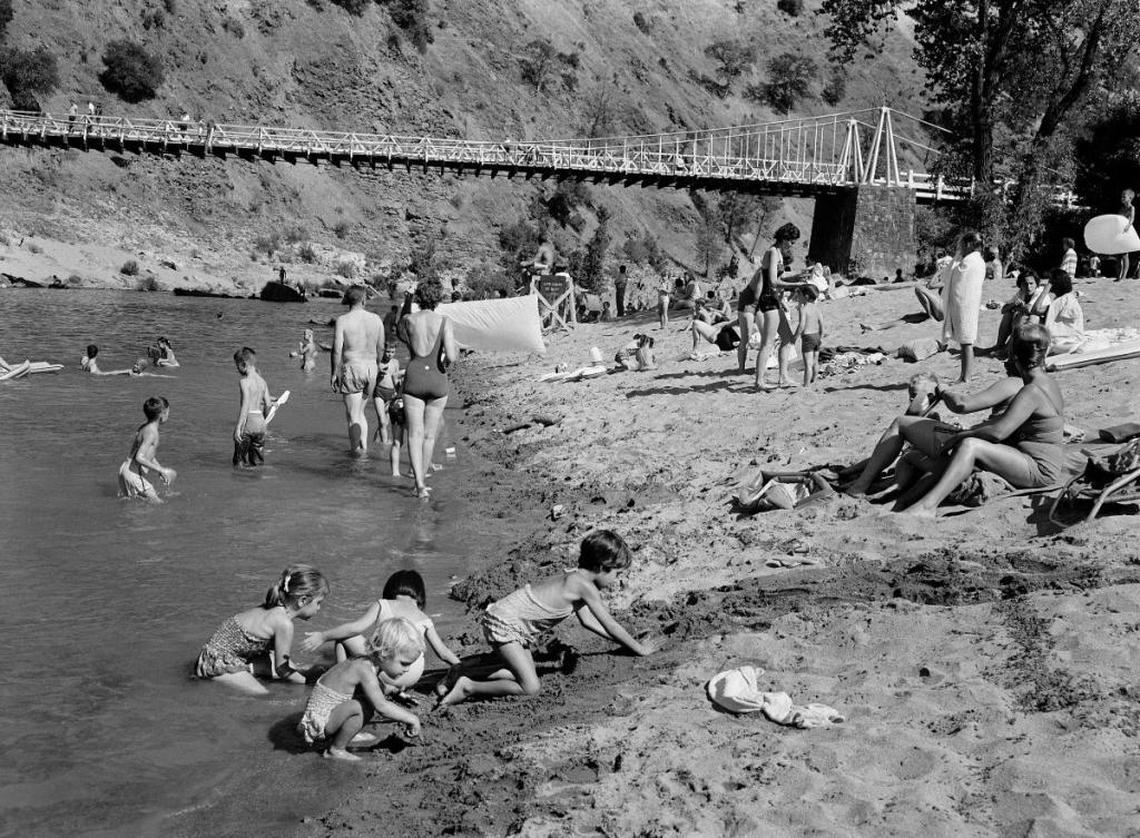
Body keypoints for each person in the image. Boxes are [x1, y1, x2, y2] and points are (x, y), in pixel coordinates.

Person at [435, 531, 656, 708]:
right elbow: (610, 623)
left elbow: (588, 622)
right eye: (616, 573)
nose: (616, 580)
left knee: (515, 673)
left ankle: (460, 671)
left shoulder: (575, 577)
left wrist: (622, 644)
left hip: (507, 619)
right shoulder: (585, 587)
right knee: (530, 687)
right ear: (600, 567)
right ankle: (468, 687)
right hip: (506, 624)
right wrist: (639, 648)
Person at [903, 324, 1065, 518]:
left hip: (1039, 468)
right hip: (1037, 458)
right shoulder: (1047, 382)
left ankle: (928, 506)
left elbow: (998, 432)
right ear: (1044, 352)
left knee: (970, 445)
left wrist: (962, 435)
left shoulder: (1031, 391)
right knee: (969, 445)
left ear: (1013, 356)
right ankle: (914, 500)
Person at [843, 365, 1025, 499]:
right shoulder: (914, 418)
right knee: (905, 459)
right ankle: (881, 485)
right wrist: (852, 470)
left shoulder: (932, 417)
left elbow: (963, 406)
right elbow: (881, 453)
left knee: (907, 457)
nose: (914, 400)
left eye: (920, 396)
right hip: (927, 462)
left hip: (932, 463)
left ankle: (880, 488)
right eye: (911, 396)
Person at [301, 569, 461, 692]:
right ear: (419, 596)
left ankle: (342, 681)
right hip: (412, 675)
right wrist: (461, 666)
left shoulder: (383, 604)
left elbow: (355, 628)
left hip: (388, 670)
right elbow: (443, 652)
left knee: (345, 638)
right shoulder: (424, 617)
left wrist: (323, 636)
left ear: (390, 590)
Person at [296, 619, 423, 761]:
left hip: (320, 716)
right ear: (384, 653)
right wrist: (411, 718)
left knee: (370, 695)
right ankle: (335, 749)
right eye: (404, 663)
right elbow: (381, 706)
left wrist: (394, 691)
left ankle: (347, 732)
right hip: (318, 723)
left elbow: (378, 686)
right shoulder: (364, 669)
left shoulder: (365, 661)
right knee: (363, 706)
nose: (407, 670)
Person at [196, 565, 328, 695]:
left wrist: (298, 672)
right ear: (303, 600)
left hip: (215, 655)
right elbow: (282, 670)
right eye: (318, 603)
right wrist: (309, 684)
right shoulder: (284, 623)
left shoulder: (274, 607)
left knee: (295, 669)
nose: (319, 608)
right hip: (217, 663)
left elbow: (280, 661)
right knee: (264, 694)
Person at [399, 280, 457, 499]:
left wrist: (407, 300)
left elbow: (399, 332)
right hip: (436, 378)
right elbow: (451, 356)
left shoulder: (408, 320)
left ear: (419, 297)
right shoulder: (444, 321)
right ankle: (421, 484)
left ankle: (419, 484)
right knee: (429, 436)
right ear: (438, 299)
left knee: (414, 434)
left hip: (414, 378)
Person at [748, 222, 806, 390]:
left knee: (787, 339)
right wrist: (795, 285)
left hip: (774, 299)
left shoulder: (779, 253)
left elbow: (780, 278)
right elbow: (773, 281)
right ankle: (759, 381)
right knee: (767, 342)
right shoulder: (773, 252)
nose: (792, 245)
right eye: (791, 241)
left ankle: (783, 377)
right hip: (768, 299)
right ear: (784, 238)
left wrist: (796, 278)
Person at [331, 286, 385, 454]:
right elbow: (381, 347)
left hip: (353, 368)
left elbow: (337, 350)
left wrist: (334, 372)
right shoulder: (376, 319)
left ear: (348, 300)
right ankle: (364, 450)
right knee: (360, 412)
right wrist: (379, 365)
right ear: (363, 300)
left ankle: (355, 453)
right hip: (371, 369)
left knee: (353, 415)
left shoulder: (343, 320)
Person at [940, 230, 986, 383]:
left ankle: (965, 377)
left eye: (962, 245)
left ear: (968, 244)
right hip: (967, 304)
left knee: (966, 342)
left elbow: (952, 276)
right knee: (965, 341)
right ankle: (965, 375)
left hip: (965, 305)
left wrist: (957, 256)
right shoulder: (976, 261)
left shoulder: (970, 262)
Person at [118, 396, 176, 502]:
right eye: (168, 413)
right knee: (159, 503)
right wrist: (161, 469)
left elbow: (148, 455)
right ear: (162, 414)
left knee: (135, 502)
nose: (168, 415)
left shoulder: (144, 427)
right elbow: (140, 457)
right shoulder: (152, 432)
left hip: (124, 470)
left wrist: (160, 471)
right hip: (133, 473)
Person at [988, 269, 1052, 358]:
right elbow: (1004, 310)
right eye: (1025, 284)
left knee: (1023, 316)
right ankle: (1000, 345)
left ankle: (1008, 350)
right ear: (1021, 285)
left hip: (1041, 328)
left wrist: (1016, 308)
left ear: (1036, 284)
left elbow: (1029, 309)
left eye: (1031, 283)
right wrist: (1014, 304)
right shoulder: (1021, 293)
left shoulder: (1039, 292)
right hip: (1026, 326)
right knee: (1008, 315)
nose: (1028, 287)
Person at [233, 347, 277, 468]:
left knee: (239, 463)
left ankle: (241, 484)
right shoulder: (263, 381)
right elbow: (268, 405)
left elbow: (246, 404)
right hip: (261, 425)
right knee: (257, 464)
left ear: (244, 364)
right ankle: (256, 484)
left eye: (237, 365)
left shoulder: (244, 382)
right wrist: (263, 422)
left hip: (248, 422)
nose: (237, 369)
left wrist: (238, 427)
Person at [371, 342, 403, 475]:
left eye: (392, 352)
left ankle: (376, 441)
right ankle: (384, 445)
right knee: (382, 421)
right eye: (387, 352)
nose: (389, 354)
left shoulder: (395, 362)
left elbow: (397, 378)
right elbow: (372, 378)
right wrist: (379, 372)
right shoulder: (378, 362)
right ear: (383, 351)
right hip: (379, 393)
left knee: (386, 422)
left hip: (391, 394)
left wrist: (398, 393)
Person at [1043, 268, 1085, 351]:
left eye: (1051, 281)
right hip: (1076, 336)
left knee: (1054, 346)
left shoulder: (1062, 300)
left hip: (1067, 339)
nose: (1049, 283)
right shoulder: (1068, 298)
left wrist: (1045, 290)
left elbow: (1036, 309)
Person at [792, 285, 823, 387]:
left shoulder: (803, 309)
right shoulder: (817, 309)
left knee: (808, 365)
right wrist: (820, 336)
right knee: (815, 361)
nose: (797, 297)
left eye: (799, 295)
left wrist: (795, 337)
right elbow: (821, 324)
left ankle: (806, 385)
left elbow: (801, 325)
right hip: (817, 336)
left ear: (806, 296)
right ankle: (814, 379)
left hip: (808, 338)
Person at [1118, 189, 1135, 282]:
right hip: (1120, 232)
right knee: (1118, 255)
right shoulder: (1121, 209)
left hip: (1127, 232)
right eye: (1122, 196)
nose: (1122, 198)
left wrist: (1127, 226)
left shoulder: (1131, 208)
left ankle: (1123, 276)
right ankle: (1118, 275)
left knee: (1125, 255)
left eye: (1124, 196)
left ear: (1130, 198)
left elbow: (1132, 219)